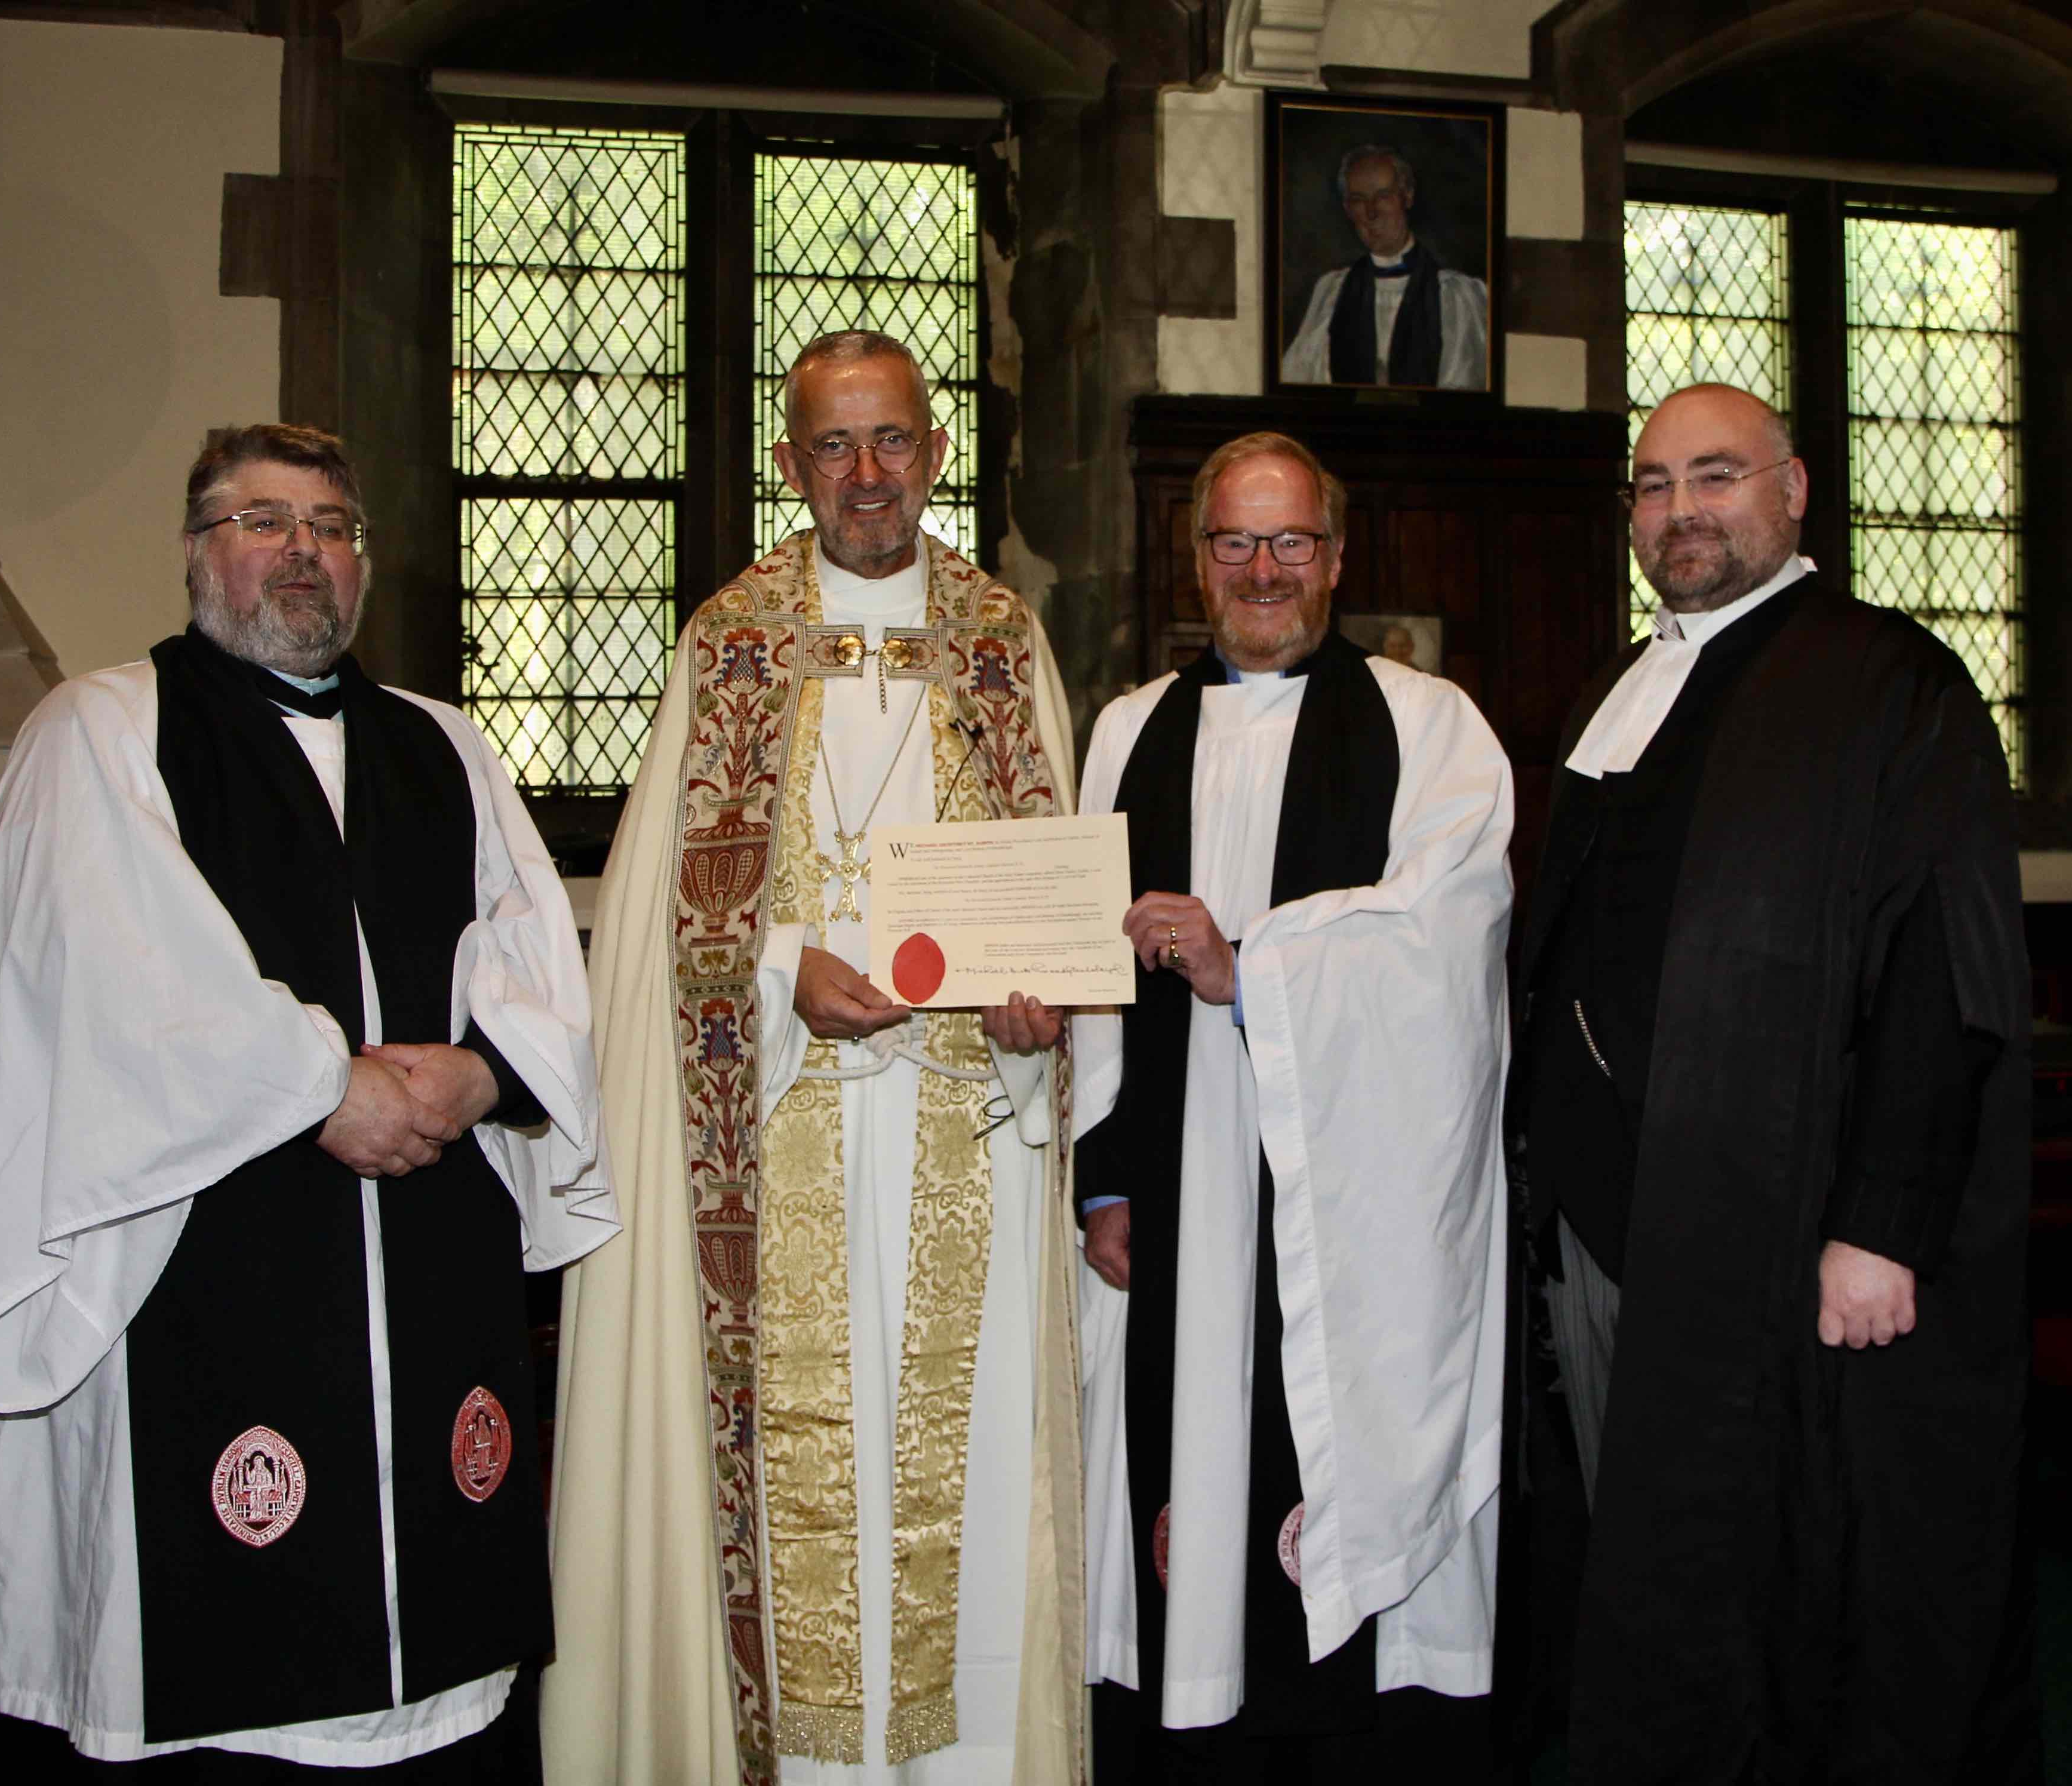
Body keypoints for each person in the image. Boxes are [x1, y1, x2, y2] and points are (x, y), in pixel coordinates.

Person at [0, 425, 613, 1775]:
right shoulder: (104, 728)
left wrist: (482, 1070)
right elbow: (121, 969)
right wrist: (319, 1086)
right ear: (194, 551)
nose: (304, 552)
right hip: (199, 1253)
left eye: (333, 526)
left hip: (424, 1246)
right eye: (263, 520)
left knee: (444, 1650)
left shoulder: (443, 744)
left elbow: (533, 956)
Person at [543, 330, 1086, 1786]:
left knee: (962, 1478)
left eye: (892, 440)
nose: (866, 475)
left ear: (934, 450)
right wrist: (781, 975)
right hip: (773, 1134)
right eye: (833, 446)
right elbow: (658, 926)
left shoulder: (999, 640)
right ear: (789, 463)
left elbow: (1056, 908)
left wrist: (1043, 1030)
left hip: (964, 1132)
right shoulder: (727, 643)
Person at [1510, 383, 2037, 1781]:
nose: (1678, 510)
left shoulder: (1888, 681)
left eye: (1713, 477)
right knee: (1643, 1561)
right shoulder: (1617, 680)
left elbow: (1947, 971)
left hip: (1781, 1230)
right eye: (1651, 484)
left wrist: (1880, 1219)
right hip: (1604, 1224)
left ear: (1792, 489)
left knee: (1784, 1586)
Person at [1075, 430, 1513, 1779]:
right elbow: (1086, 972)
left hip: (1351, 1205)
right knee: (1183, 1490)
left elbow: (1448, 949)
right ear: (1193, 556)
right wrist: (1102, 1178)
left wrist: (1243, 963)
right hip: (1174, 1195)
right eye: (1231, 542)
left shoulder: (1429, 727)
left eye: (1289, 543)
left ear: (1335, 556)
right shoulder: (1126, 730)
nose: (1261, 571)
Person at [1280, 145, 1490, 389]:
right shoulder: (1332, 292)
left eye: (1383, 196)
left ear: (1407, 196)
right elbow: (1299, 386)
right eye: (1359, 200)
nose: (1371, 213)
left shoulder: (1457, 296)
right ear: (1348, 209)